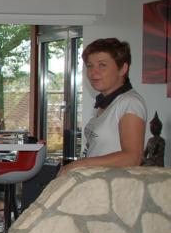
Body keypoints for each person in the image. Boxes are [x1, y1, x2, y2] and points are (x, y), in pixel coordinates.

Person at [60, 38, 147, 176]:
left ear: (123, 69)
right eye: (89, 66)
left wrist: (80, 164)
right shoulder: (104, 103)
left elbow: (133, 157)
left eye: (102, 65)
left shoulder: (130, 103)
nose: (93, 72)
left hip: (113, 185)